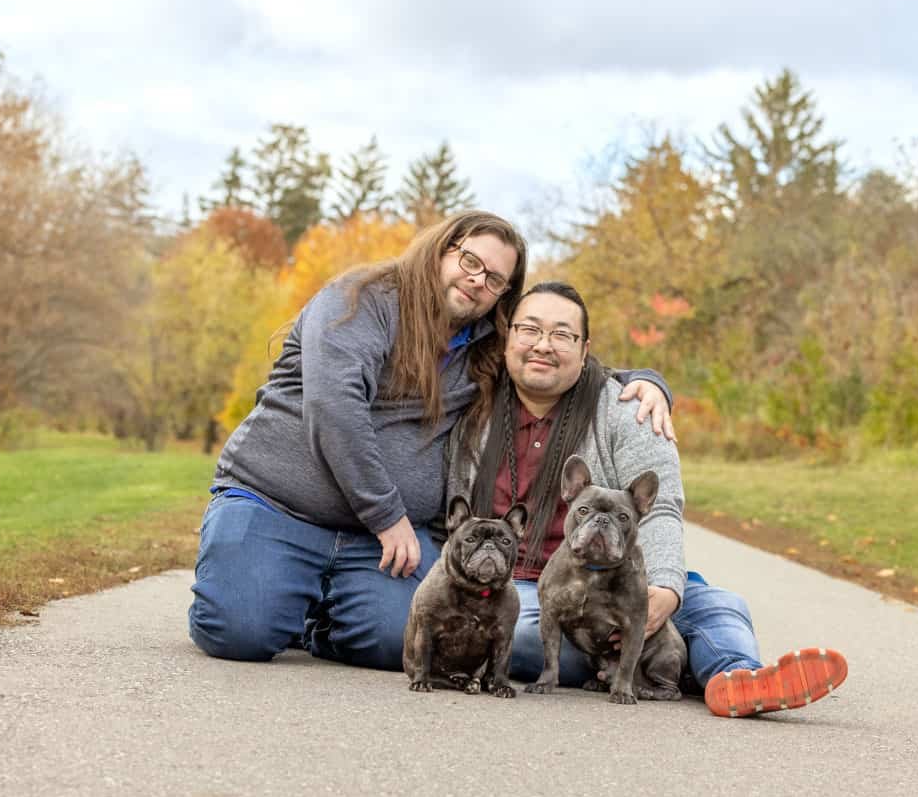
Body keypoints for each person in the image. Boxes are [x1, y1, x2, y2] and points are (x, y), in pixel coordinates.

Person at [188, 211, 672, 672]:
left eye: (496, 279)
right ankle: (269, 588)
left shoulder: (483, 342)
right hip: (279, 504)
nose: (479, 281)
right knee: (239, 634)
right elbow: (334, 410)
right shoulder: (357, 301)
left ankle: (322, 619)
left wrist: (647, 381)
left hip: (372, 541)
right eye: (470, 262)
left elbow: (552, 358)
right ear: (441, 249)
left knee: (419, 637)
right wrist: (386, 514)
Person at [445, 281, 848, 717]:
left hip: (622, 576)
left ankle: (736, 679)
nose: (544, 345)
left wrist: (664, 588)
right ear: (508, 339)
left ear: (584, 350)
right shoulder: (473, 416)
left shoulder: (628, 410)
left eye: (562, 334)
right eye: (530, 330)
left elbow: (662, 509)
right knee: (522, 632)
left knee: (717, 604)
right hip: (528, 584)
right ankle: (658, 667)